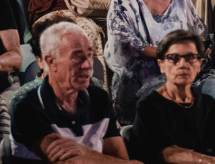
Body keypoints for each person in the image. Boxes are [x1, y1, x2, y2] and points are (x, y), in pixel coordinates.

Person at [10, 21, 132, 161]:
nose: (87, 65)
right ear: (45, 61)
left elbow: (122, 159)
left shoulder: (98, 95)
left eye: (88, 54)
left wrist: (84, 153)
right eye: (75, 56)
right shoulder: (24, 102)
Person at [126, 30, 215, 164]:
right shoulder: (149, 106)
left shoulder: (210, 104)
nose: (183, 64)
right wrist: (212, 162)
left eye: (190, 57)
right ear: (161, 65)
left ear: (199, 65)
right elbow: (168, 154)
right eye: (174, 58)